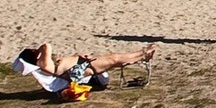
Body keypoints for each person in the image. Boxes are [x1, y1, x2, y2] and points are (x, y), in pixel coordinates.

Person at [12, 43, 155, 93]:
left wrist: (76, 55)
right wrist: (38, 50)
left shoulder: (44, 63)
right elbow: (46, 45)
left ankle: (142, 54)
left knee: (114, 59)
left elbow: (64, 62)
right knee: (114, 59)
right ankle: (143, 54)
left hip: (80, 64)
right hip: (82, 67)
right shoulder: (43, 64)